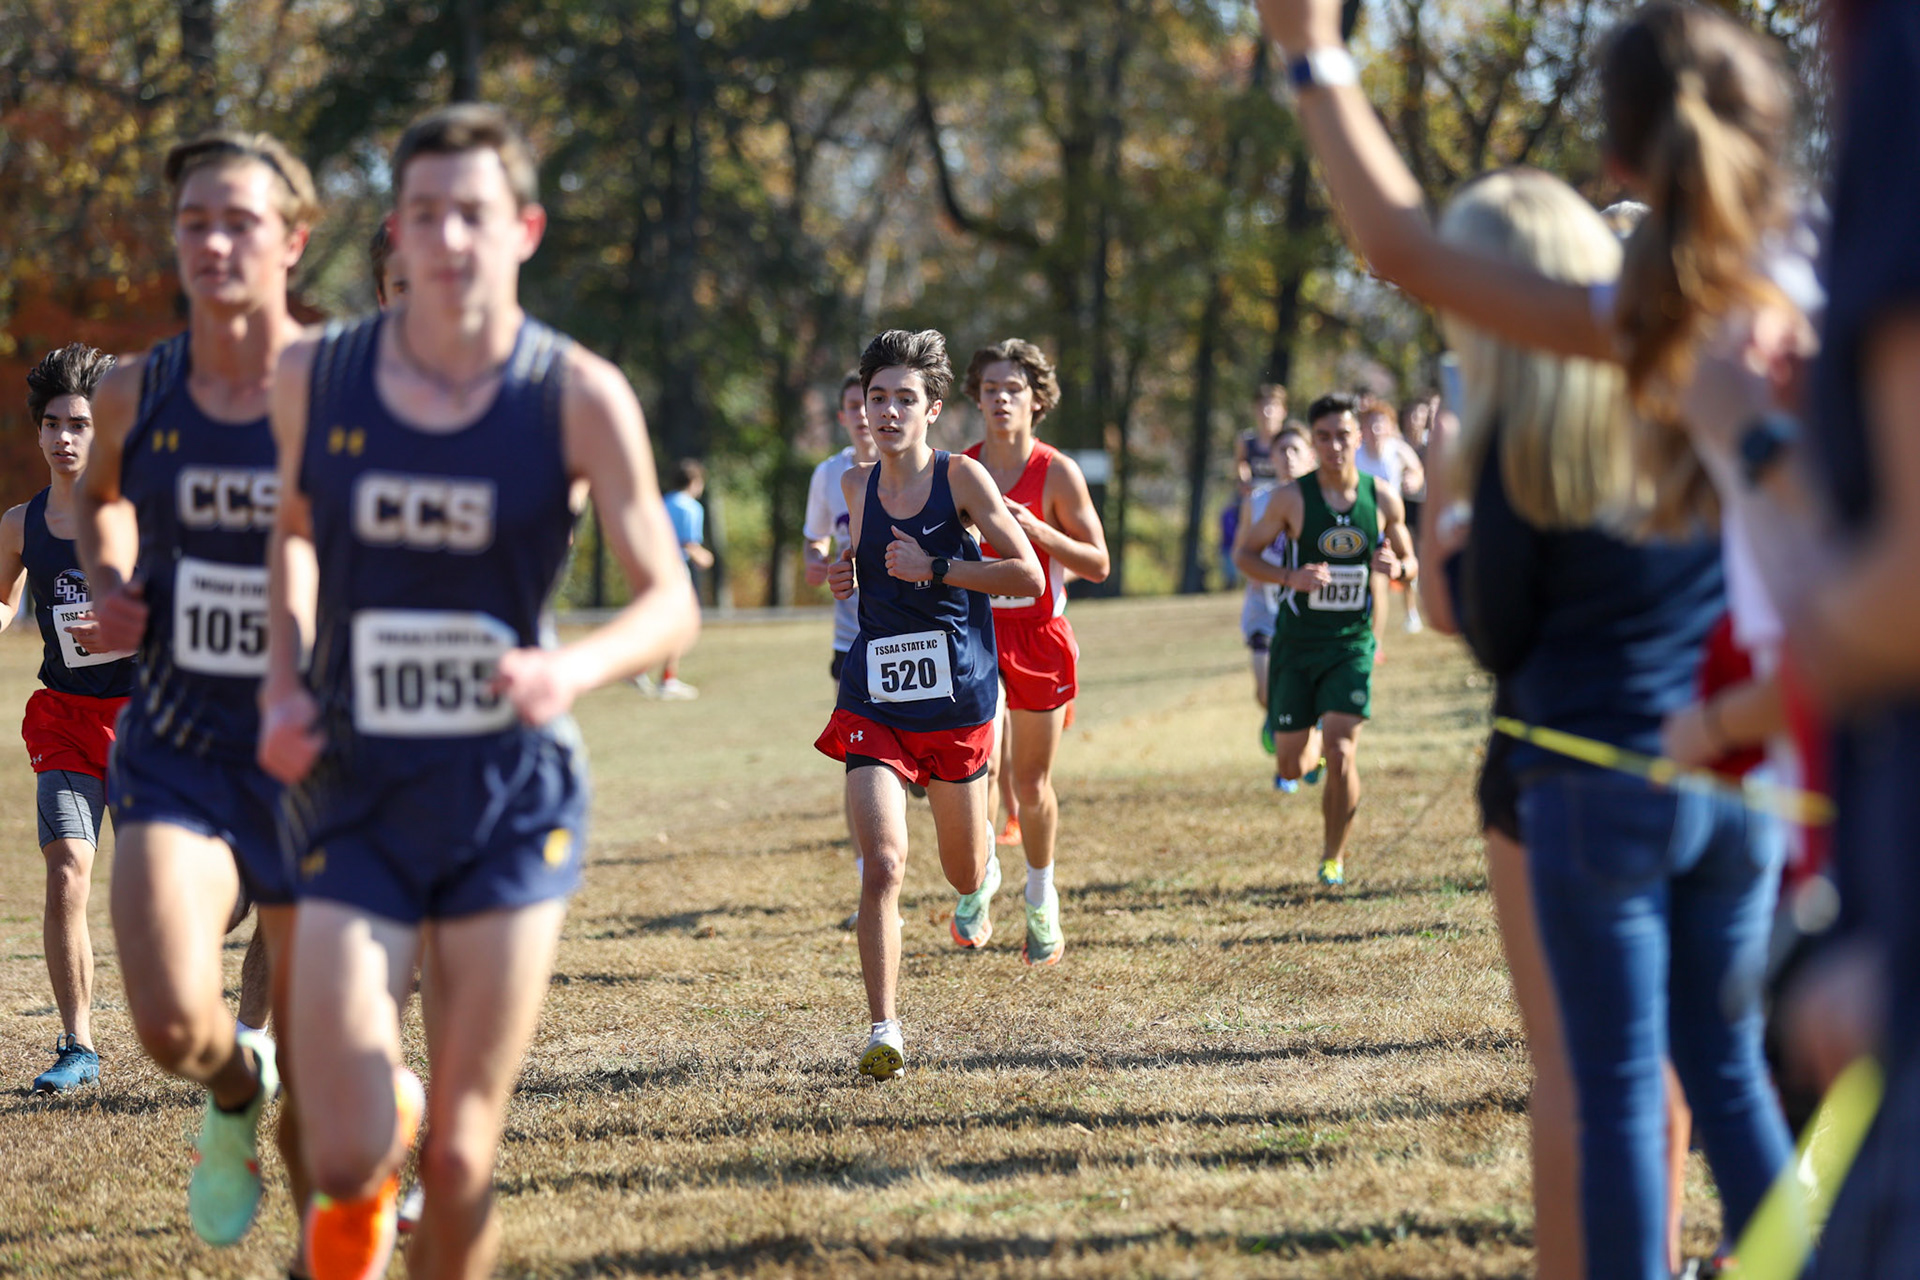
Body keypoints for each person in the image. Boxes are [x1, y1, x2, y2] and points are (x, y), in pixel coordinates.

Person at [257, 103, 698, 1280]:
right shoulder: (317, 375)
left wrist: (571, 667)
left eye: (475, 213)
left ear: (525, 229)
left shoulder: (579, 392)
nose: (448, 237)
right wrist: (283, 681)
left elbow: (669, 599)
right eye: (425, 214)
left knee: (459, 1162)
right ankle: (370, 1142)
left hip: (507, 793)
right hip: (356, 791)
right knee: (348, 1145)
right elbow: (292, 536)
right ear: (393, 231)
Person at [74, 130, 317, 1253]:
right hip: (176, 735)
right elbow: (101, 498)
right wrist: (115, 573)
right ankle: (233, 1085)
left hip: (315, 745)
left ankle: (346, 1209)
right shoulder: (137, 387)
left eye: (240, 221)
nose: (214, 242)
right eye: (194, 222)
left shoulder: (341, 381)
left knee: (334, 1083)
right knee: (173, 1019)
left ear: (292, 241)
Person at [815, 328, 1043, 1076]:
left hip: (958, 703)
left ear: (934, 407)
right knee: (881, 864)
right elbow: (857, 568)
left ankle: (985, 874)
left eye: (903, 399)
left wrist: (938, 566)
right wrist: (848, 580)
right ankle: (885, 1031)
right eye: (876, 398)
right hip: (874, 695)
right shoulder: (855, 487)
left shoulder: (962, 483)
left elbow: (1027, 577)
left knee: (962, 872)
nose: (886, 412)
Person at [0, 344, 132, 1094]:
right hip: (65, 723)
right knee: (66, 873)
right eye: (52, 424)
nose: (64, 439)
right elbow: (4, 597)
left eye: (79, 423)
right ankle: (77, 1044)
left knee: (160, 891)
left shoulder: (136, 514)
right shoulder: (19, 523)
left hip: (147, 723)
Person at [959, 339, 1109, 967]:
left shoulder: (1056, 472)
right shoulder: (959, 469)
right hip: (974, 639)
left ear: (1036, 400)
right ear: (976, 397)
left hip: (1039, 638)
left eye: (1013, 389)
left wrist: (1038, 529)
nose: (1001, 399)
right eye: (990, 388)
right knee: (978, 769)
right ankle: (984, 873)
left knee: (1031, 779)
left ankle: (1041, 897)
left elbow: (1098, 563)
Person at [1232, 393, 1415, 887]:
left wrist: (1397, 568)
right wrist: (1292, 578)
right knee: (1291, 763)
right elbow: (1245, 557)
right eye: (1325, 437)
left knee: (1343, 752)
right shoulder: (1291, 499)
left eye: (1343, 435)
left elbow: (1410, 560)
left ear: (1359, 438)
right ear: (1314, 444)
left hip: (1351, 643)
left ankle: (1333, 856)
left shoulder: (1381, 498)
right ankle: (1297, 733)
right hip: (1296, 645)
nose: (1335, 445)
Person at [803, 371, 885, 924]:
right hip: (850, 639)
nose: (863, 415)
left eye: (871, 403)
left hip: (910, 638)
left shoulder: (913, 469)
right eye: (854, 405)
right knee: (857, 763)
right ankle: (866, 887)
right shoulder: (828, 475)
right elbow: (816, 539)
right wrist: (816, 560)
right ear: (841, 416)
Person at [1236, 423, 1314, 725]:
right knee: (1265, 691)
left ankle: (1301, 733)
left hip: (1307, 608)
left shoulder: (1319, 503)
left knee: (1305, 684)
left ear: (1311, 456)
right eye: (1282, 450)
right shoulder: (1256, 500)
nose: (1289, 457)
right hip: (1264, 606)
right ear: (1272, 456)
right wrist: (1255, 570)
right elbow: (1239, 552)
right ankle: (1280, 721)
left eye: (1296, 450)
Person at [633, 459, 711, 700]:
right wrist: (706, 558)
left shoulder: (663, 502)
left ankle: (641, 668)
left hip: (653, 566)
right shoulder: (691, 507)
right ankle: (665, 678)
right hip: (675, 567)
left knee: (659, 621)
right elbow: (689, 544)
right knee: (679, 623)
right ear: (695, 482)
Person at [1356, 399, 1425, 638]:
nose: (1375, 430)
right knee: (1376, 582)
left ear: (1389, 427)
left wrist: (1412, 480)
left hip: (1394, 524)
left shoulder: (1396, 448)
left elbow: (1417, 469)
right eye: (1370, 424)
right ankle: (1374, 639)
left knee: (1405, 569)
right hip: (1365, 526)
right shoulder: (1356, 454)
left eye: (1380, 424)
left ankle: (1411, 611)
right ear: (1362, 428)